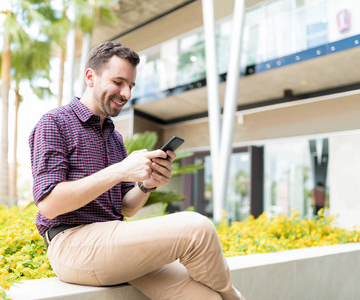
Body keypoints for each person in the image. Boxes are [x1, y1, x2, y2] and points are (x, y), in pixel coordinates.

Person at [29, 41, 244, 300]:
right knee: (197, 227)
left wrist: (147, 184)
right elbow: (49, 205)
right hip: (72, 245)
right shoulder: (54, 123)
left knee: (204, 298)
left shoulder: (114, 137)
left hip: (114, 242)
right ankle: (233, 296)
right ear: (90, 77)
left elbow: (125, 208)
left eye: (130, 85)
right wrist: (119, 171)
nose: (126, 93)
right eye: (118, 82)